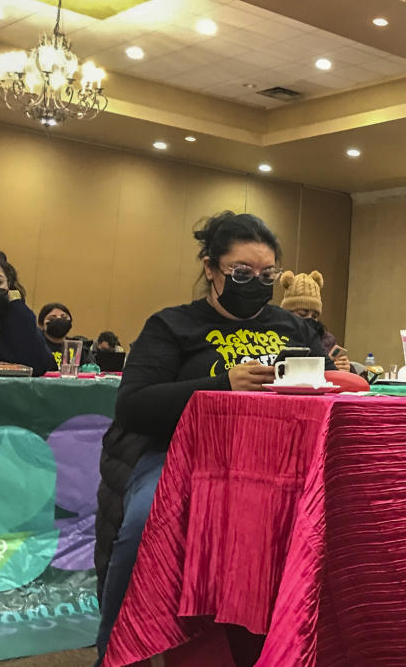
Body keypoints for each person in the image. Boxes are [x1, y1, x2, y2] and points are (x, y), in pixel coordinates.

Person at [93, 212, 333, 661]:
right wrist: (223, 384)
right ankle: (115, 650)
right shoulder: (172, 326)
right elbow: (133, 404)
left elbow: (331, 381)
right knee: (145, 522)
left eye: (267, 274)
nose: (255, 282)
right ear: (210, 268)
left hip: (275, 461)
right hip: (182, 454)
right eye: (241, 272)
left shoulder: (292, 327)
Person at [280, 269, 352, 371]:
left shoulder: (326, 339)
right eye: (302, 314)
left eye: (314, 316)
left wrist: (346, 368)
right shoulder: (276, 336)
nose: (309, 319)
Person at [38, 302, 89, 369]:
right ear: (41, 325)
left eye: (64, 317)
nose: (59, 319)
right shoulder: (35, 346)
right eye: (52, 319)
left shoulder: (79, 348)